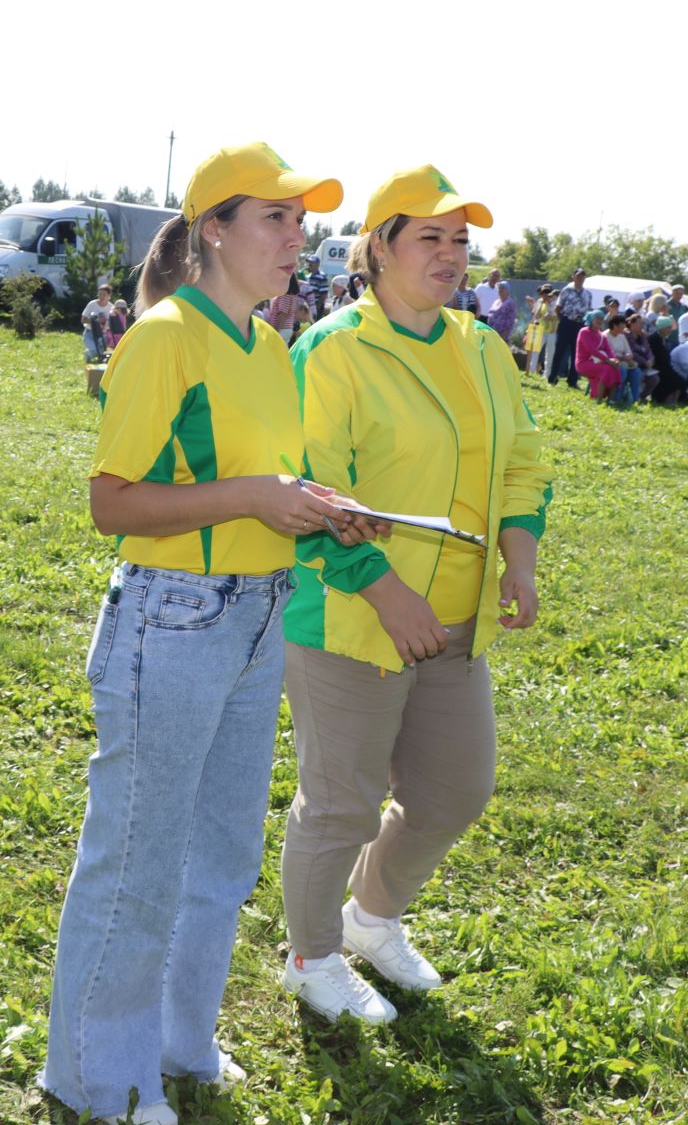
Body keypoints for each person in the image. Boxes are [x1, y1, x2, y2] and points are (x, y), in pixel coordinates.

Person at [41, 143, 365, 1125]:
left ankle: (179, 1040)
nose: (296, 237)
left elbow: (261, 480)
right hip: (173, 615)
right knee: (139, 854)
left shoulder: (271, 345)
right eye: (276, 217)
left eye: (301, 221)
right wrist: (257, 495)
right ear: (213, 229)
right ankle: (102, 1075)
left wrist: (312, 504)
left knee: (221, 849)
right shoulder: (165, 336)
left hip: (258, 607)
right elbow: (112, 501)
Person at [277, 163, 551, 1026]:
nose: (451, 254)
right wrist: (386, 592)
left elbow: (521, 463)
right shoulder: (335, 348)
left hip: (456, 619)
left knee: (453, 792)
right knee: (343, 800)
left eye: (461, 239)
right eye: (429, 236)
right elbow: (312, 491)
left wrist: (520, 559)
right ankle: (313, 956)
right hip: (352, 614)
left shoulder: (482, 348)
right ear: (378, 249)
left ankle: (371, 918)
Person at [548, 268, 590, 387]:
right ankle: (553, 377)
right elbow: (558, 307)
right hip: (566, 322)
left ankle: (572, 380)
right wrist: (563, 320)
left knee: (576, 353)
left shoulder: (587, 293)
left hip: (579, 324)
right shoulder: (567, 290)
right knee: (559, 351)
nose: (580, 279)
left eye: (582, 277)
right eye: (578, 276)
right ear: (573, 277)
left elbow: (588, 310)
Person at [574, 309, 620, 400]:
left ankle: (610, 399)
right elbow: (592, 350)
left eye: (601, 318)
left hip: (599, 361)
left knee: (616, 370)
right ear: (591, 319)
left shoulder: (602, 335)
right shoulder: (584, 332)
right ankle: (598, 398)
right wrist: (608, 361)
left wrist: (614, 359)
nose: (600, 320)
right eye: (597, 318)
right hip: (584, 363)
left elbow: (609, 350)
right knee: (606, 369)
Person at [267, 272, 308, 343]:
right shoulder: (292, 295)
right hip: (287, 328)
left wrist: (275, 331)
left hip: (281, 329)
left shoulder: (285, 296)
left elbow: (283, 314)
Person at [524, 285, 556, 375]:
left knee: (549, 354)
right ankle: (531, 371)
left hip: (551, 332)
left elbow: (556, 317)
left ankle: (547, 374)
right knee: (535, 352)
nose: (545, 295)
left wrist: (550, 316)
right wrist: (540, 304)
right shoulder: (540, 302)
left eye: (547, 292)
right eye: (543, 293)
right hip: (540, 330)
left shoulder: (554, 302)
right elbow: (536, 315)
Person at [83, 282, 115, 361]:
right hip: (89, 333)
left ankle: (93, 353)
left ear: (109, 296)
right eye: (100, 294)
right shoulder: (92, 304)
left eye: (104, 294)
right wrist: (95, 321)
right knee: (94, 351)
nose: (101, 296)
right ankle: (88, 354)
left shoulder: (111, 307)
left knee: (102, 353)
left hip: (103, 335)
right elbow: (83, 320)